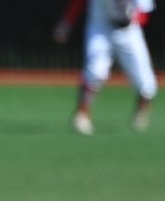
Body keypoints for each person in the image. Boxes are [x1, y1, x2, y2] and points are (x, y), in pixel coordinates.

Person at [53, 0, 158, 135]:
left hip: (129, 31)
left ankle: (141, 112)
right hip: (100, 27)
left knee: (145, 82)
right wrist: (67, 22)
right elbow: (78, 2)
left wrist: (134, 16)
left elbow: (144, 12)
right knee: (95, 71)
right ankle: (81, 115)